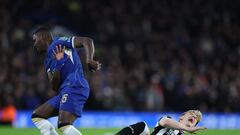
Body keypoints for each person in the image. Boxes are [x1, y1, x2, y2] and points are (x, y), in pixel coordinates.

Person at [31, 26, 101, 135]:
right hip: (63, 91)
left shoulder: (59, 42)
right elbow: (54, 87)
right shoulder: (47, 62)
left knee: (64, 124)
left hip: (75, 85)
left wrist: (89, 59)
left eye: (35, 40)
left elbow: (87, 41)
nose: (34, 45)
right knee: (37, 116)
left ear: (42, 37)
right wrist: (59, 64)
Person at [116, 110, 206, 135]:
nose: (194, 116)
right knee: (143, 126)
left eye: (196, 120)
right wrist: (187, 129)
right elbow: (165, 122)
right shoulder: (168, 119)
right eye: (192, 114)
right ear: (181, 116)